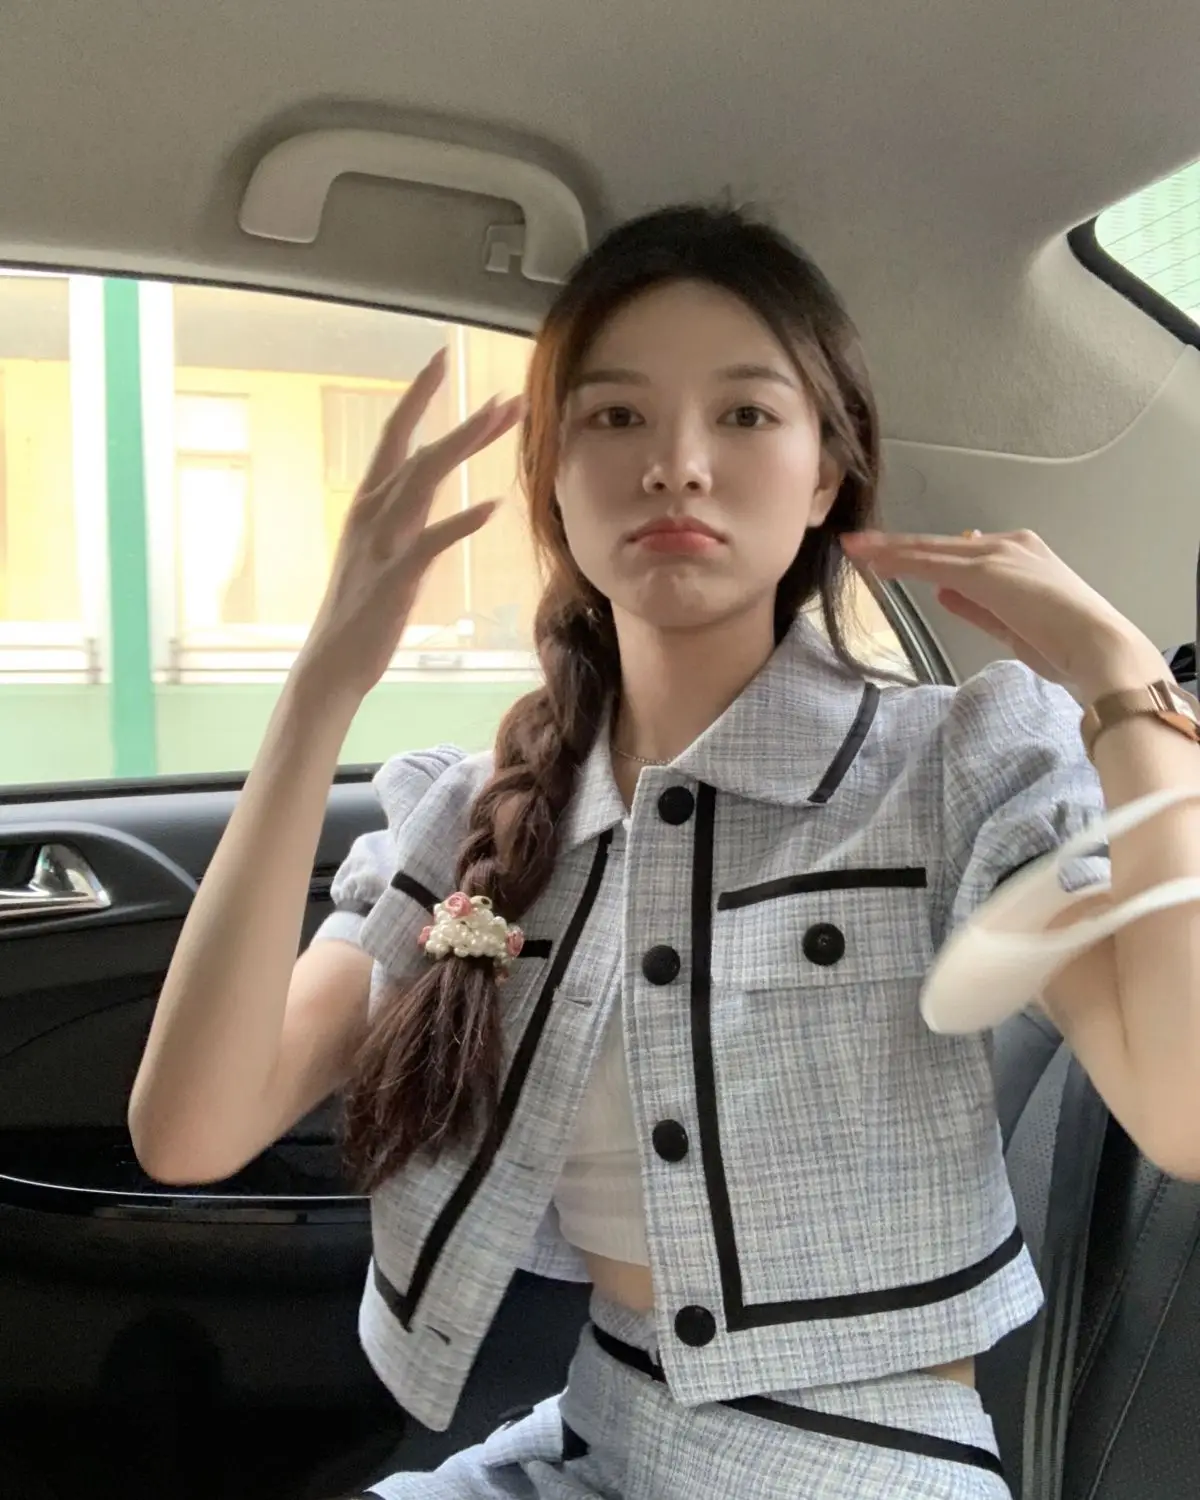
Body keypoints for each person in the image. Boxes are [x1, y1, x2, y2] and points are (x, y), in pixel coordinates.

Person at [129, 205, 1200, 1499]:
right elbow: (190, 1131)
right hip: (589, 1441)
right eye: (617, 416)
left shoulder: (954, 765)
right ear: (553, 477)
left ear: (825, 474)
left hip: (866, 1473)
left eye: (744, 414)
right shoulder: (483, 817)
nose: (678, 465)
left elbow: (1185, 1107)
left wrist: (1129, 691)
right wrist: (319, 690)